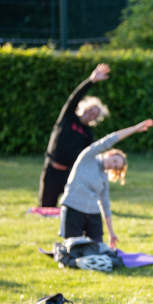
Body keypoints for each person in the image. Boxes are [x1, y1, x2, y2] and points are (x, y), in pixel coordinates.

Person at [58, 119, 153, 248]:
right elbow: (110, 139)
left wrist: (111, 233)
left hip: (92, 215)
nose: (112, 165)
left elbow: (105, 206)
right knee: (72, 248)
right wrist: (135, 129)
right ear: (109, 154)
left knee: (99, 249)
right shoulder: (88, 157)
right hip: (73, 209)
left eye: (115, 166)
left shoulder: (103, 179)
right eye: (114, 160)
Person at [39, 63, 111, 207]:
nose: (91, 114)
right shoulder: (68, 118)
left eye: (95, 114)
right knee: (47, 207)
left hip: (69, 175)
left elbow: (89, 155)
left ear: (95, 119)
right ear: (84, 108)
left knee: (71, 209)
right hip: (52, 170)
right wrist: (91, 80)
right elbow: (74, 98)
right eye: (91, 109)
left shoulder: (88, 134)